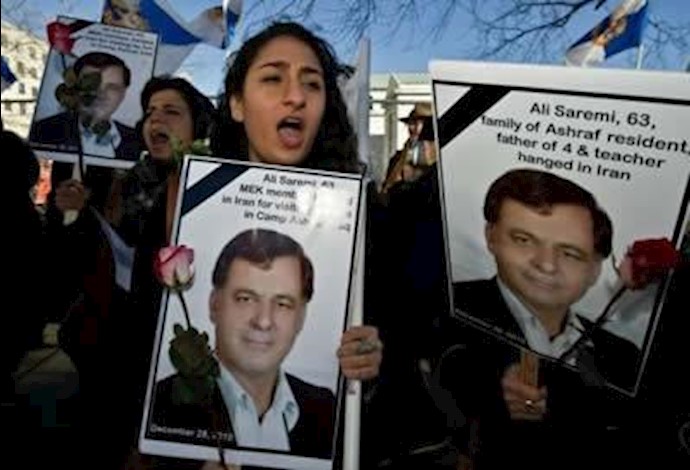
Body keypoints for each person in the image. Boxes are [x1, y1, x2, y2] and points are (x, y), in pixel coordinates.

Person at [151, 228, 336, 458]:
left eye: (282, 303)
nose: (263, 321)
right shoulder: (159, 407)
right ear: (214, 305)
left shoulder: (326, 408)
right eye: (245, 299)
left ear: (301, 318)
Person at [452, 168, 640, 391]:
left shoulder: (624, 358)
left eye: (570, 253)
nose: (547, 265)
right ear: (491, 236)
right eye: (524, 240)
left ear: (595, 270)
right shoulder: (444, 304)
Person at [29, 51, 139, 161]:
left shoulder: (137, 140)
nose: (100, 93)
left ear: (123, 93)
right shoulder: (42, 131)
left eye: (111, 87)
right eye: (90, 84)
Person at [381, 102, 434, 193]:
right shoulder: (397, 158)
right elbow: (387, 189)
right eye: (412, 123)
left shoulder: (443, 158)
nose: (414, 128)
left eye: (422, 123)